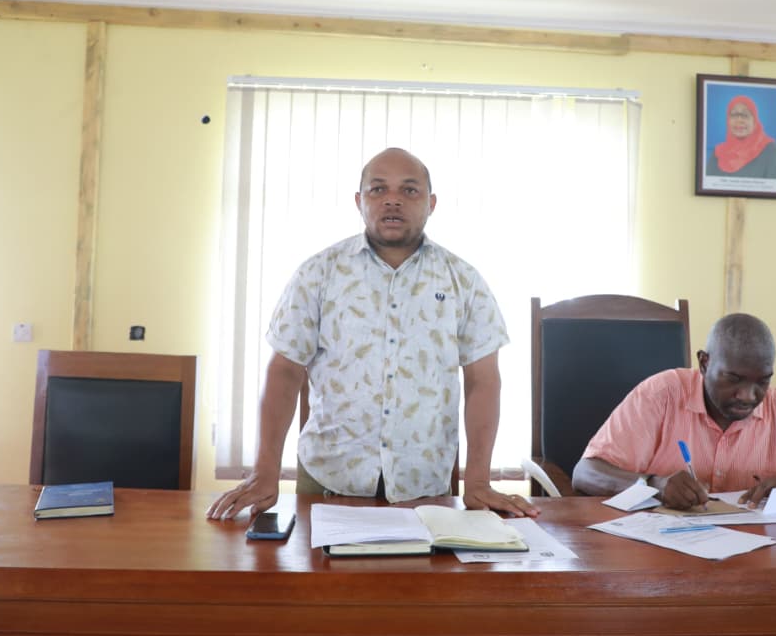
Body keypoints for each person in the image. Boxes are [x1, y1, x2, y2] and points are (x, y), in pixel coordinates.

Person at [207, 147, 537, 521]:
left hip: (426, 489)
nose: (392, 200)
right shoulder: (318, 273)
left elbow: (483, 381)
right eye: (378, 189)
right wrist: (265, 471)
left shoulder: (464, 280)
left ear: (431, 203)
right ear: (359, 201)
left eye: (409, 190)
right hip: (327, 483)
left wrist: (477, 481)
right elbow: (285, 371)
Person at [572, 313, 776, 509]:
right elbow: (586, 473)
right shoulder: (662, 394)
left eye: (762, 381)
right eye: (734, 379)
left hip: (752, 563)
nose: (748, 395)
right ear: (704, 363)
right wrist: (654, 485)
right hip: (657, 561)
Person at [705, 95, 776, 179]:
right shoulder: (718, 153)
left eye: (745, 115)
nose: (739, 120)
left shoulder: (771, 151)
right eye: (734, 115)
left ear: (755, 121)